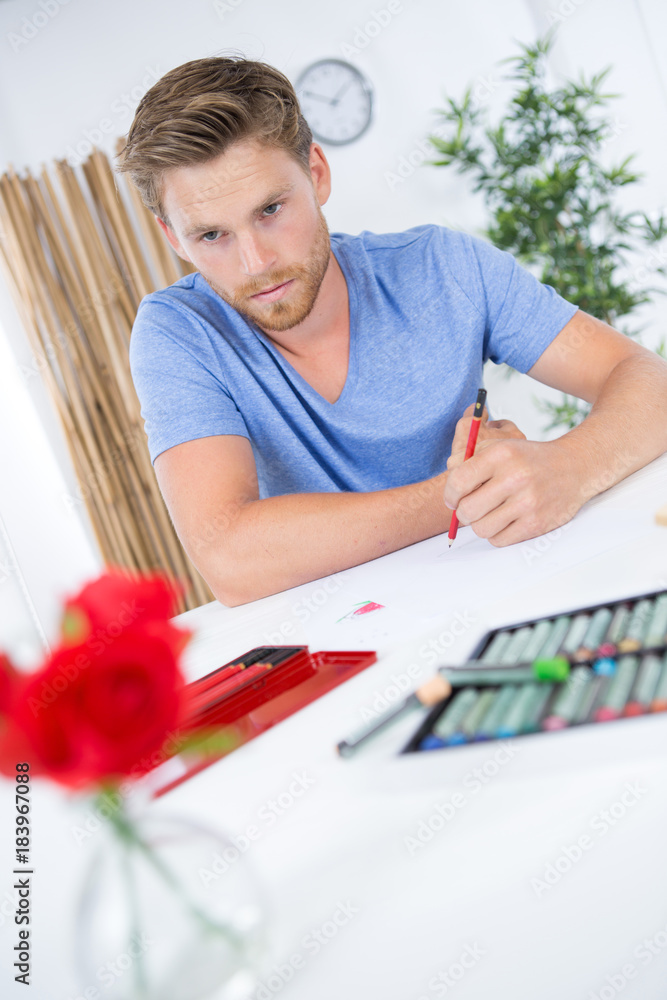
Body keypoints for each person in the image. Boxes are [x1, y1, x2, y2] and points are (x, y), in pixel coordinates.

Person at [118, 56, 667, 607]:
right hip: (338, 632)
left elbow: (651, 382)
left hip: (492, 593)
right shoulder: (179, 333)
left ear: (316, 173)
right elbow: (231, 559)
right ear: (173, 237)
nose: (256, 262)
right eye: (212, 236)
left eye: (271, 209)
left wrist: (568, 467)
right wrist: (468, 489)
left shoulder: (445, 267)